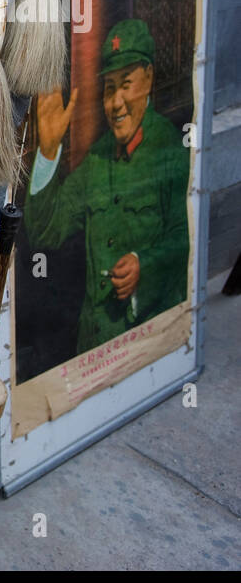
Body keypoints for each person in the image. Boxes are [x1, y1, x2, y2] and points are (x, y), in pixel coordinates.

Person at [25, 18, 190, 355]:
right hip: (93, 346)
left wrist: (144, 265)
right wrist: (48, 149)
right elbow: (46, 232)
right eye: (109, 88)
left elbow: (185, 237)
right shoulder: (98, 157)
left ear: (149, 78)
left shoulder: (172, 148)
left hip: (148, 344)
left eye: (126, 84)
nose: (115, 103)